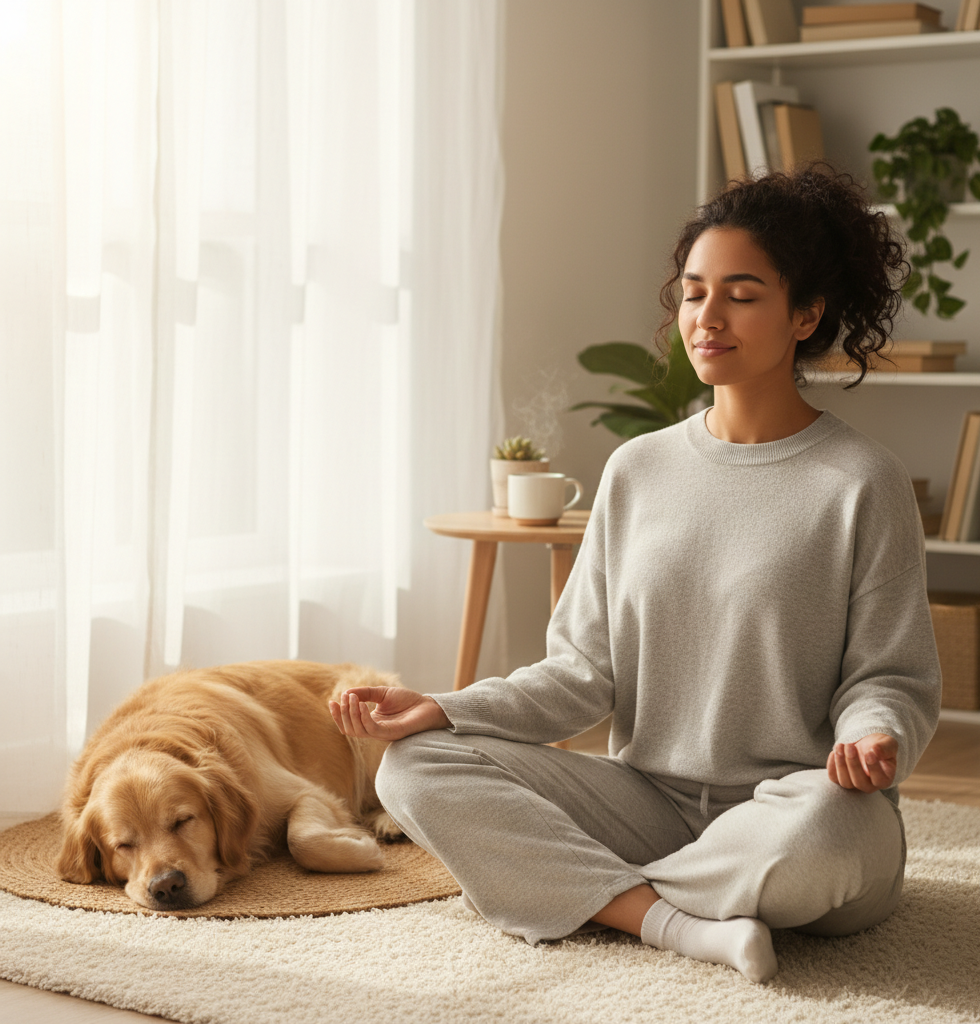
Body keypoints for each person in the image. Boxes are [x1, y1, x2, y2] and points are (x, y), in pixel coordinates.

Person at [329, 166, 942, 984]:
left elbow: (890, 675)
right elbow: (582, 674)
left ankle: (581, 889)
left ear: (806, 315)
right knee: (414, 766)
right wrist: (443, 708)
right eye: (693, 294)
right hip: (647, 802)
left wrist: (875, 735)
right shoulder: (638, 470)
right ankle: (671, 922)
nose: (707, 318)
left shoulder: (862, 481)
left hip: (796, 806)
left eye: (741, 295)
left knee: (827, 834)